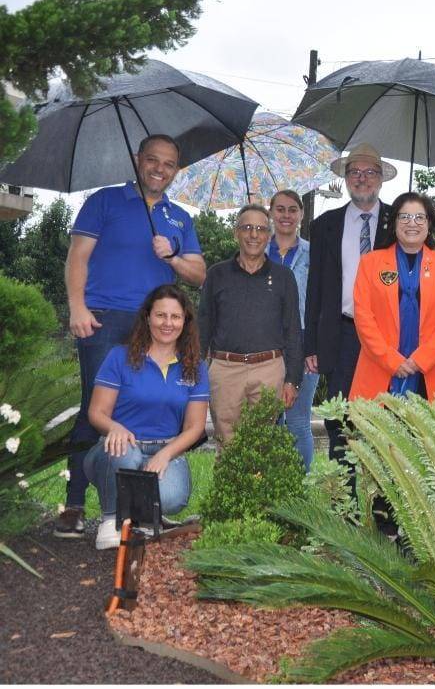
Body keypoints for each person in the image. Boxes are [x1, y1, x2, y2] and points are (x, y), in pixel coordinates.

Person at [57, 134, 206, 540]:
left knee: (152, 408)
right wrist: (77, 307)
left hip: (157, 326)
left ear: (176, 170)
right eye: (153, 160)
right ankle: (74, 504)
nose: (160, 169)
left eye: (169, 164)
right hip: (104, 319)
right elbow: (78, 256)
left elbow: (198, 273)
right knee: (96, 408)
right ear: (138, 160)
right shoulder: (104, 201)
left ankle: (138, 503)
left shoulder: (179, 218)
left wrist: (171, 256)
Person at [83, 284, 209, 550]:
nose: (168, 323)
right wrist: (114, 427)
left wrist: (165, 455)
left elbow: (195, 427)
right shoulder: (120, 356)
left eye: (175, 317)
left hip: (166, 448)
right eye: (161, 315)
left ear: (185, 322)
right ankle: (111, 520)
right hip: (120, 447)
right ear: (148, 317)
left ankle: (141, 514)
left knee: (173, 497)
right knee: (123, 452)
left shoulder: (195, 366)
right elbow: (96, 412)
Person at [304, 143, 394, 470]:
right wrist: (310, 344)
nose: (361, 178)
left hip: (388, 338)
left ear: (381, 178)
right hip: (341, 334)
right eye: (354, 172)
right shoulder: (325, 225)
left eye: (369, 172)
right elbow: (316, 288)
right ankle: (344, 502)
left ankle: (382, 506)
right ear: (345, 178)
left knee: (383, 419)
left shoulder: (399, 222)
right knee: (339, 420)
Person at [198, 205, 302, 447]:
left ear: (268, 235)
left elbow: (293, 331)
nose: (253, 234)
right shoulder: (216, 274)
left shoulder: (284, 277)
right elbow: (204, 326)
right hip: (225, 370)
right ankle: (229, 486)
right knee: (227, 444)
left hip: (269, 369)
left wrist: (293, 380)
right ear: (236, 233)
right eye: (247, 227)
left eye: (260, 229)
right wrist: (196, 374)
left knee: (261, 446)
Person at [349, 192, 435, 401]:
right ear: (394, 222)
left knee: (426, 433)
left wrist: (420, 360)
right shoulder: (370, 263)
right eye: (404, 216)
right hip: (379, 369)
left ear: (429, 223)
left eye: (419, 217)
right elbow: (363, 318)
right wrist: (392, 360)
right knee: (375, 433)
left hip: (429, 373)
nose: (411, 223)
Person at [267, 189, 319, 472]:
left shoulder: (314, 253)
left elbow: (322, 302)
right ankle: (273, 483)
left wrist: (315, 346)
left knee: (298, 420)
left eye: (292, 210)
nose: (286, 215)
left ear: (300, 214)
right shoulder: (257, 250)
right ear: (271, 212)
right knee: (270, 419)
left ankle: (301, 486)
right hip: (264, 343)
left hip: (302, 343)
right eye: (280, 209)